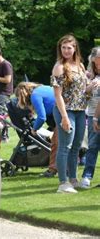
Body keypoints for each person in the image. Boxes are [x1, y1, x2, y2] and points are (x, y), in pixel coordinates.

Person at [51, 34, 88, 193]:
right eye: (63, 47)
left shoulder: (80, 65)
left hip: (80, 110)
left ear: (75, 49)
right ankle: (63, 183)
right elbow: (57, 94)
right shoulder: (59, 67)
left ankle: (73, 179)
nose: (66, 50)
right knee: (65, 146)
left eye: (69, 47)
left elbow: (82, 90)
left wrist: (90, 89)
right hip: (65, 111)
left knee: (76, 147)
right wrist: (64, 117)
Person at [15, 82, 58, 177]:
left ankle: (52, 170)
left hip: (60, 115)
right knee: (61, 144)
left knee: (56, 144)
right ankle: (64, 169)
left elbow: (42, 117)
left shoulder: (35, 95)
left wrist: (34, 129)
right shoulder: (42, 88)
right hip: (65, 112)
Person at [80, 47, 100, 188]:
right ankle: (87, 176)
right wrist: (88, 90)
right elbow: (84, 97)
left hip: (96, 116)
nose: (98, 65)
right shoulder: (89, 76)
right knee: (92, 147)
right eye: (96, 63)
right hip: (92, 113)